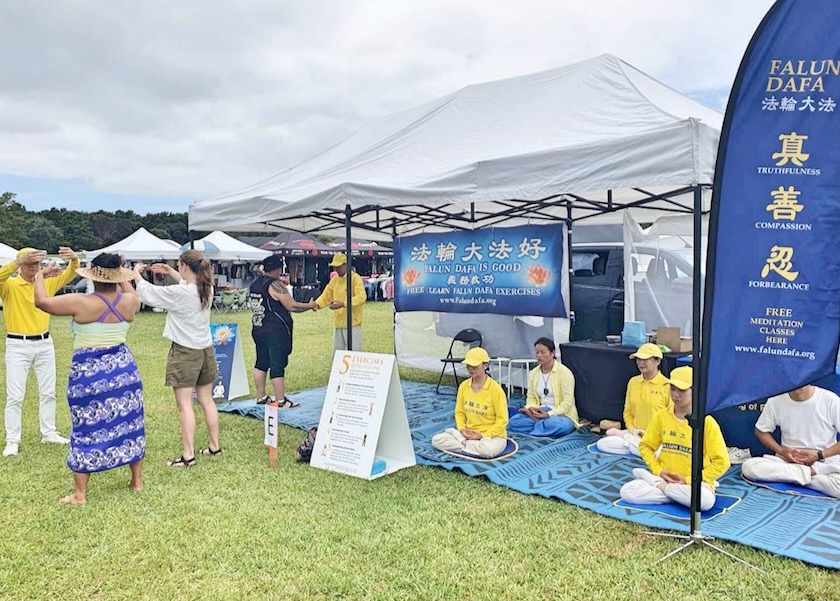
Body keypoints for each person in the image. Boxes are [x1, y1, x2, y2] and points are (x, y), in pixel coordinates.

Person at [33, 253, 144, 504]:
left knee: (85, 426)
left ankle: (80, 494)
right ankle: (136, 482)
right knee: (131, 423)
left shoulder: (80, 302)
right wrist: (123, 276)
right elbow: (130, 292)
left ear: (93, 275)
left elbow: (41, 301)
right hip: (124, 371)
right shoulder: (131, 302)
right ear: (118, 276)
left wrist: (40, 275)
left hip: (89, 374)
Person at [133, 250, 221, 467]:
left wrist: (135, 273)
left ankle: (188, 455)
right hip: (205, 350)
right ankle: (214, 446)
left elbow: (148, 293)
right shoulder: (207, 287)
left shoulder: (181, 293)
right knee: (207, 401)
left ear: (184, 266)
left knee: (185, 406)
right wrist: (170, 271)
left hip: (185, 352)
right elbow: (187, 282)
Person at [1, 246, 80, 457]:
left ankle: (49, 432)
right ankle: (12, 440)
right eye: (30, 264)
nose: (34, 268)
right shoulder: (9, 285)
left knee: (48, 392)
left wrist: (74, 259)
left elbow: (70, 273)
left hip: (45, 342)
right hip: (18, 344)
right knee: (15, 396)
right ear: (21, 265)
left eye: (36, 264)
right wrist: (17, 262)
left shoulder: (44, 283)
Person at [619, 366, 730, 510]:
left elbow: (722, 462)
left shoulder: (706, 422)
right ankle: (675, 495)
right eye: (672, 389)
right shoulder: (661, 417)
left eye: (682, 390)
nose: (676, 395)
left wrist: (688, 480)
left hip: (693, 483)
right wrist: (659, 471)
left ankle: (661, 488)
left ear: (694, 391)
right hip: (665, 477)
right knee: (627, 492)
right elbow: (646, 446)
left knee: (705, 501)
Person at [741, 385, 840, 499]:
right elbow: (761, 431)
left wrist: (819, 455)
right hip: (788, 460)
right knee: (749, 467)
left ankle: (794, 477)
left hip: (824, 462)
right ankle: (807, 475)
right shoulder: (776, 400)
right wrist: (781, 451)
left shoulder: (831, 400)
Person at [249, 254, 317, 407]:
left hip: (258, 327)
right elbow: (291, 306)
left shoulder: (255, 284)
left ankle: (261, 397)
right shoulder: (275, 285)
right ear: (278, 269)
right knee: (277, 365)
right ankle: (281, 400)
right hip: (275, 330)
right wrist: (310, 306)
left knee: (261, 362)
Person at [431, 347, 509, 459]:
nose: (471, 369)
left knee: (487, 450)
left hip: (492, 436)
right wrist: (462, 429)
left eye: (475, 366)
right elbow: (459, 412)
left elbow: (502, 420)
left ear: (485, 366)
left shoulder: (495, 390)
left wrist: (483, 435)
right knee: (437, 440)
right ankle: (469, 445)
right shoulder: (464, 386)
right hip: (469, 434)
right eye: (468, 366)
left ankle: (464, 445)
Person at [595, 343, 670, 455]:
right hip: (635, 434)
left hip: (658, 438)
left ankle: (629, 441)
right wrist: (632, 429)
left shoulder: (667, 385)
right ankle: (634, 443)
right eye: (638, 359)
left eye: (645, 359)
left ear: (657, 361)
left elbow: (672, 418)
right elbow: (628, 411)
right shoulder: (633, 382)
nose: (640, 363)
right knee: (602, 444)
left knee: (661, 453)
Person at [507, 337, 579, 438]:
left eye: (543, 352)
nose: (539, 355)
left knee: (562, 426)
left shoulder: (564, 373)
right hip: (539, 412)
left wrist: (548, 414)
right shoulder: (533, 373)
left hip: (560, 415)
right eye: (537, 352)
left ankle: (537, 429)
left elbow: (567, 403)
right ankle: (541, 429)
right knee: (513, 422)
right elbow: (531, 397)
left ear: (552, 353)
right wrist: (530, 409)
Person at [313, 253, 366, 351]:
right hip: (338, 322)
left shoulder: (355, 278)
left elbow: (362, 297)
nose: (336, 269)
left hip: (352, 323)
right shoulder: (334, 280)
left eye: (338, 266)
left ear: (346, 265)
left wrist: (343, 304)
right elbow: (326, 295)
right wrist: (317, 304)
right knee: (337, 354)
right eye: (334, 267)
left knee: (354, 353)